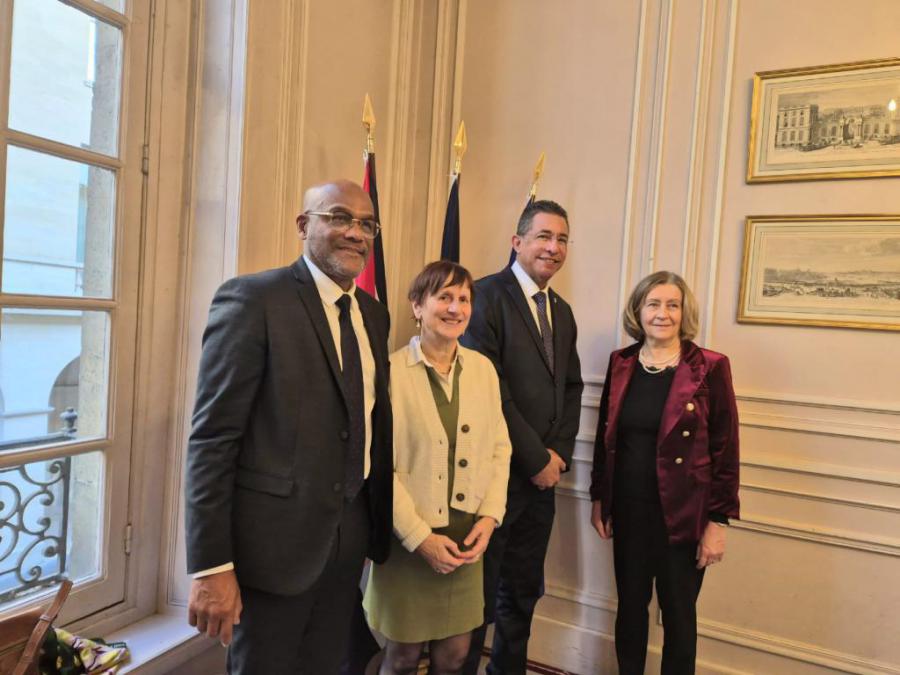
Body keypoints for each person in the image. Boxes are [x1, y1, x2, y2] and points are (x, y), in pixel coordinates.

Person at [184, 179, 394, 674]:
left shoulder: (373, 315)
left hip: (348, 542)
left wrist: (366, 529)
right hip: (272, 553)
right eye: (338, 217)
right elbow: (213, 440)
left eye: (366, 224)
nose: (356, 233)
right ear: (303, 225)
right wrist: (212, 566)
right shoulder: (254, 300)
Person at [364, 261, 512, 675]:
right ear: (417, 305)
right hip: (408, 540)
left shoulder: (483, 370)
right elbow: (379, 468)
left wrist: (490, 517)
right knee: (402, 658)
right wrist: (420, 539)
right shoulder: (390, 373)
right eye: (444, 297)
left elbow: (500, 448)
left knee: (455, 656)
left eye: (463, 299)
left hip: (466, 540)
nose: (455, 308)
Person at [589, 271, 740, 675]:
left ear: (684, 312)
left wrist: (718, 521)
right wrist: (599, 498)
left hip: (685, 516)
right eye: (653, 304)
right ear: (638, 310)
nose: (663, 313)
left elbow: (725, 449)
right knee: (630, 608)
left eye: (673, 305)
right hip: (630, 510)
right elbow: (606, 436)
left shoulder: (709, 367)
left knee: (679, 614)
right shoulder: (621, 363)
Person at [461, 200, 583, 674]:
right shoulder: (484, 297)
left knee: (522, 595)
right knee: (478, 599)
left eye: (562, 240)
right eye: (544, 236)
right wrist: (535, 458)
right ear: (517, 242)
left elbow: (571, 388)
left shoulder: (562, 312)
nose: (554, 248)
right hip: (494, 480)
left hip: (542, 483)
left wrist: (558, 456)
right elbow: (490, 391)